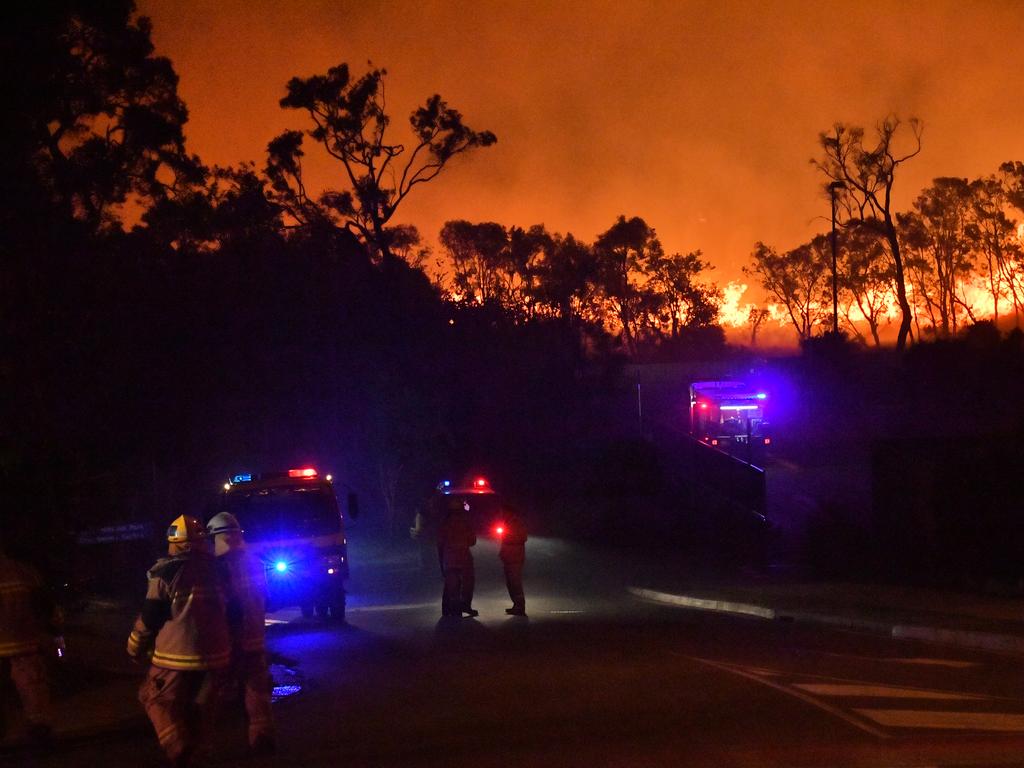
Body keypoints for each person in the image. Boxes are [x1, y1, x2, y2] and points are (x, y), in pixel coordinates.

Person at [128, 515, 231, 768]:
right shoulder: (220, 569)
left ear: (174, 543)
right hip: (217, 655)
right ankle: (201, 754)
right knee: (202, 708)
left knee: (153, 698)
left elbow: (151, 618)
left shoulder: (165, 572)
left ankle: (179, 748)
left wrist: (134, 646)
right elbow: (233, 609)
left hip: (175, 658)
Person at [206, 512, 275, 756]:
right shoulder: (255, 562)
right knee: (256, 690)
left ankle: (201, 747)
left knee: (212, 693)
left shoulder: (217, 567)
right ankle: (262, 737)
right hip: (255, 639)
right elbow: (265, 598)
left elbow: (223, 605)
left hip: (227, 642)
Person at [0, 538, 63, 746]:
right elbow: (47, 607)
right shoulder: (25, 572)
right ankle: (40, 727)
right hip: (25, 641)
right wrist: (55, 635)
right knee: (32, 684)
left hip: (16, 640)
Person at [438, 498, 477, 617]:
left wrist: (441, 560)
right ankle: (463, 607)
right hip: (463, 558)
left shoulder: (444, 523)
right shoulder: (465, 522)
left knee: (451, 585)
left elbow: (440, 543)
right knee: (466, 584)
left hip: (449, 559)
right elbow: (472, 541)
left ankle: (449, 609)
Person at [498, 506, 528, 616]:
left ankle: (520, 606)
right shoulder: (508, 522)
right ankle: (516, 605)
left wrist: (508, 537)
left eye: (503, 512)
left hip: (515, 558)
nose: (501, 515)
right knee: (510, 583)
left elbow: (522, 537)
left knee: (515, 582)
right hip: (509, 557)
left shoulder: (516, 523)